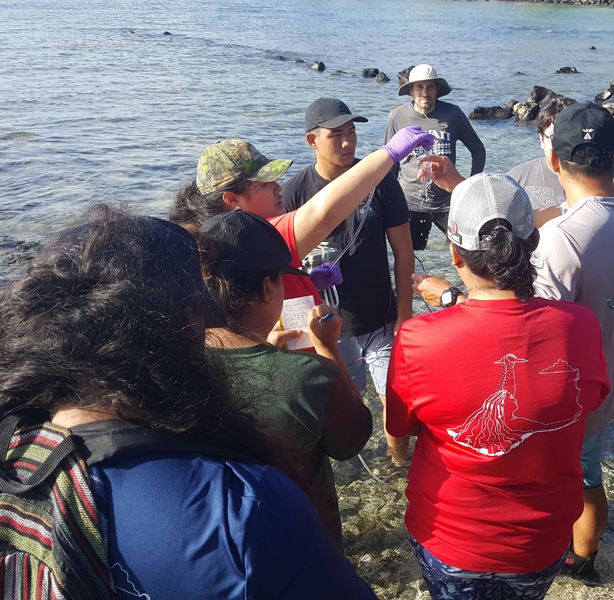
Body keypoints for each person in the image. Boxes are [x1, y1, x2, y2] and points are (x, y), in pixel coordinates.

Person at [0, 205, 378, 599]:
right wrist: (326, 348)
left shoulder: (17, 443)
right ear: (186, 325)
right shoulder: (246, 505)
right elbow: (351, 441)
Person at [410, 102, 614, 586]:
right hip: (599, 385)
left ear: (553, 161)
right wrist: (465, 190)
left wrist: (450, 295)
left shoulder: (561, 240)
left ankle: (530, 558)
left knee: (548, 484)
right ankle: (584, 558)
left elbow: (519, 330)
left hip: (555, 400)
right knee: (590, 477)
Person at [385, 174, 610, 600]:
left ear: (455, 254)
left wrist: (397, 456)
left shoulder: (417, 338)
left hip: (449, 536)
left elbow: (400, 427)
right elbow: (590, 403)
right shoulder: (580, 325)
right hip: (540, 541)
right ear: (534, 241)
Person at [198, 209, 373, 550]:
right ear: (267, 288)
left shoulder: (170, 362)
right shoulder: (306, 378)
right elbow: (353, 440)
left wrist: (261, 346)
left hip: (218, 548)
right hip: (301, 545)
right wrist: (328, 349)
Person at [170, 129, 434, 324]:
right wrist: (388, 153)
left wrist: (303, 282)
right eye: (264, 184)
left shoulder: (209, 246)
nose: (278, 188)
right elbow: (324, 211)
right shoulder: (253, 239)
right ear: (232, 200)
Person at [282, 98, 416, 466]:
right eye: (336, 135)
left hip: (381, 317)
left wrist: (405, 316)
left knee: (398, 403)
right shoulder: (294, 193)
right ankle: (344, 470)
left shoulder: (381, 183)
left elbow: (404, 253)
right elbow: (281, 268)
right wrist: (307, 280)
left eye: (352, 133)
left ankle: (396, 465)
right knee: (341, 409)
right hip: (327, 327)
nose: (347, 143)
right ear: (312, 140)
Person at [507, 98, 614, 245]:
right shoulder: (516, 179)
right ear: (541, 138)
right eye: (554, 137)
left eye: (572, 137)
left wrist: (585, 212)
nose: (562, 146)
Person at [384, 64, 486, 251]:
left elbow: (478, 149)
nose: (425, 92)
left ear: (437, 89)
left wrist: (471, 185)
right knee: (408, 256)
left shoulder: (453, 114)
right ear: (411, 91)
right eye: (419, 87)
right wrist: (389, 199)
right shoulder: (397, 116)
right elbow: (390, 161)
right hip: (410, 203)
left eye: (430, 86)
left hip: (447, 202)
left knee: (468, 251)